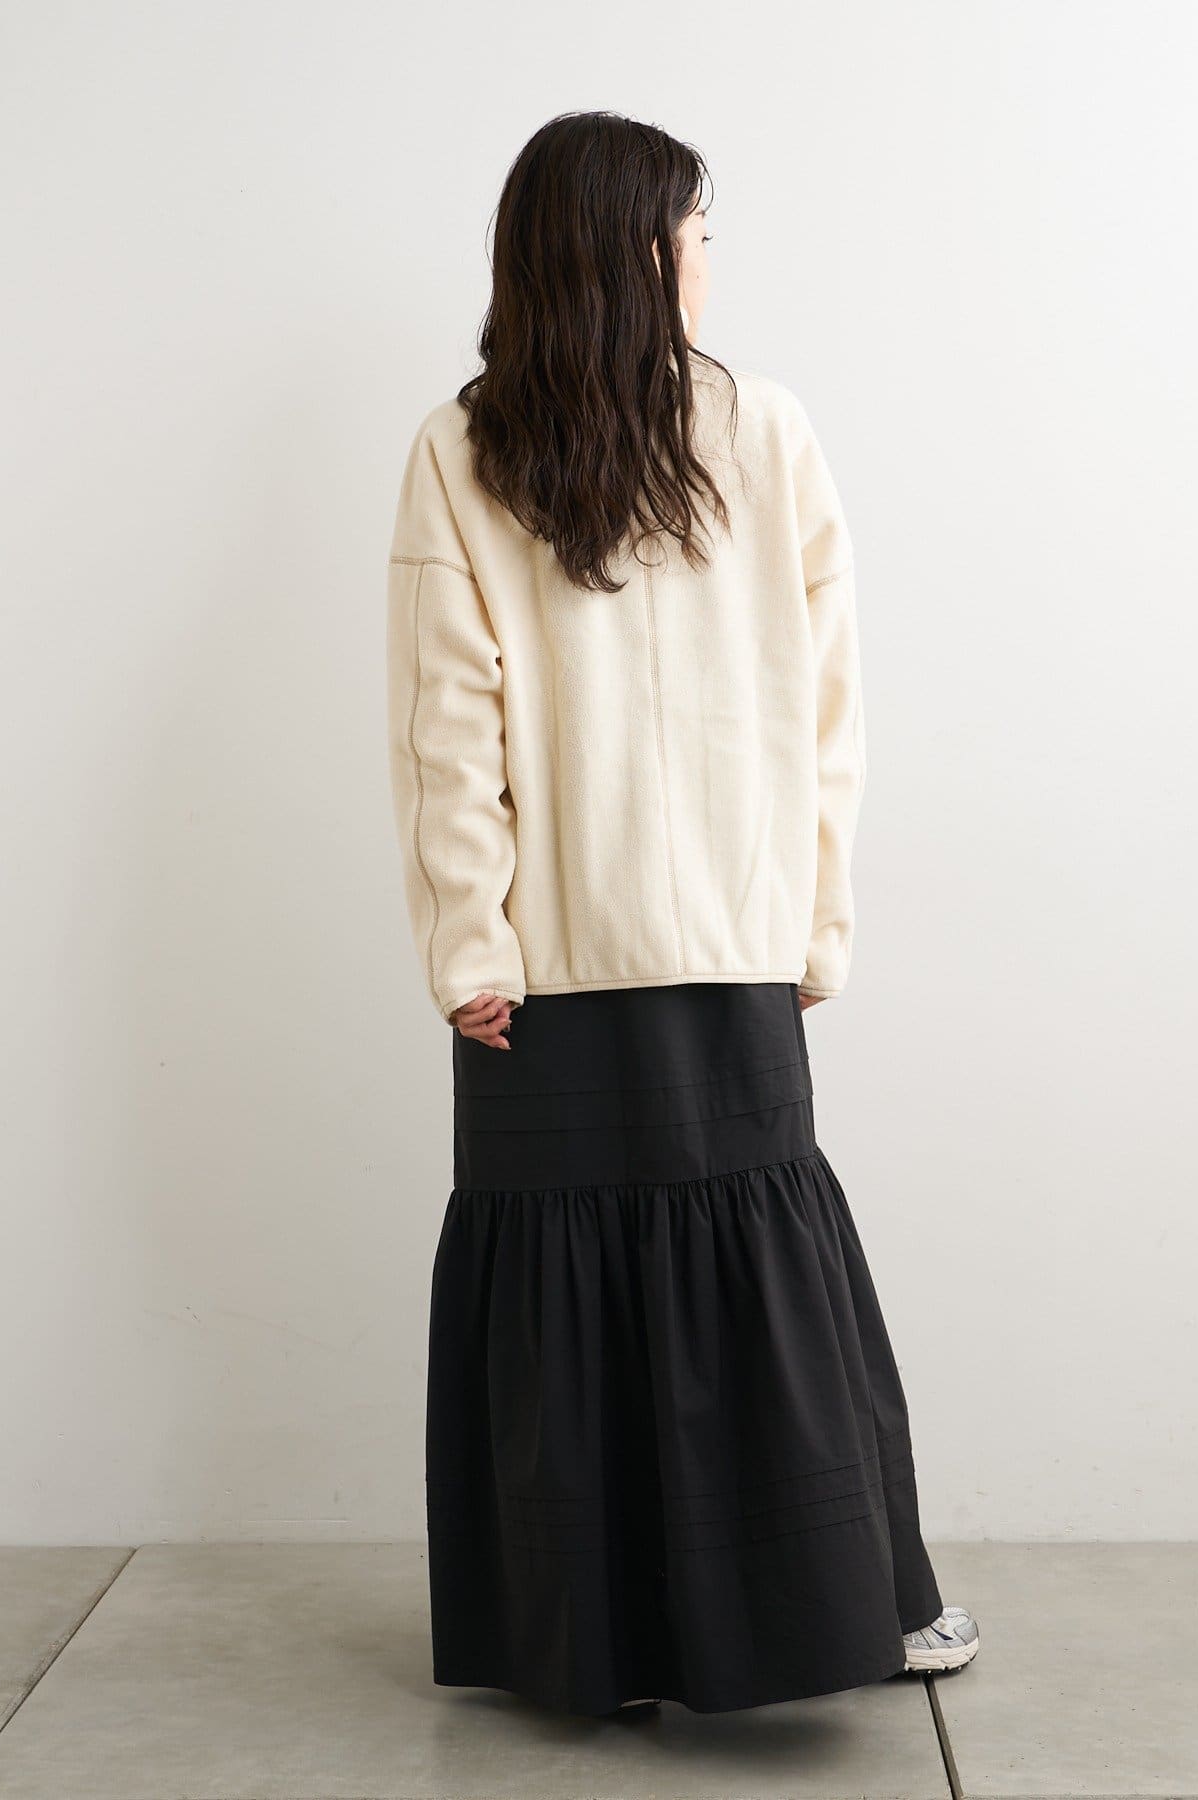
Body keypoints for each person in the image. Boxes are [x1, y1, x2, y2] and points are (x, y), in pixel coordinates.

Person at [384, 109, 979, 1717]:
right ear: (638, 253)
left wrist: (472, 941)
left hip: (560, 956)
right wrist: (810, 920)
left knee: (588, 1295)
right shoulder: (571, 442)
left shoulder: (512, 442)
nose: (710, 262)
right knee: (758, 1292)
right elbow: (828, 717)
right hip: (704, 941)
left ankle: (598, 1642)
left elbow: (446, 733)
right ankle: (839, 1613)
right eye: (699, 234)